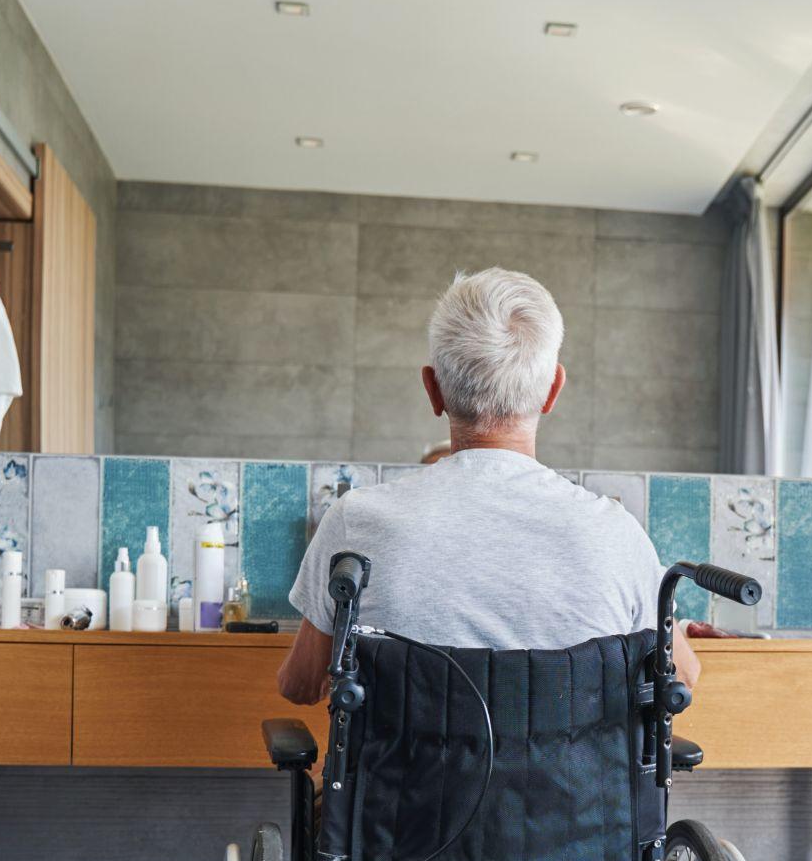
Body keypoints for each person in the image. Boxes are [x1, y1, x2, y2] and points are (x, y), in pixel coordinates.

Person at [277, 266, 697, 701]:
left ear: (433, 390)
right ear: (553, 389)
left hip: (404, 773)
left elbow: (301, 685)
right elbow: (682, 675)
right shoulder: (615, 532)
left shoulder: (356, 521)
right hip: (570, 772)